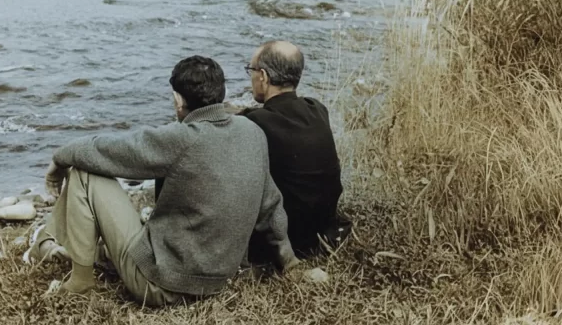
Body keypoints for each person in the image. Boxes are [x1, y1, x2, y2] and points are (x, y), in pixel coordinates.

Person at [25, 55, 298, 306]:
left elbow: (101, 150)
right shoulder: (252, 132)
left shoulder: (182, 138)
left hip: (161, 285)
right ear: (220, 93)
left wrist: (59, 160)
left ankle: (80, 281)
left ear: (178, 100)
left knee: (83, 172)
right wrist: (290, 262)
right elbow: (271, 206)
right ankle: (47, 244)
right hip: (219, 281)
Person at [240, 41, 350, 262]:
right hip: (322, 231)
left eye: (250, 70)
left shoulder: (255, 123)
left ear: (263, 76)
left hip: (287, 239)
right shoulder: (317, 108)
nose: (251, 76)